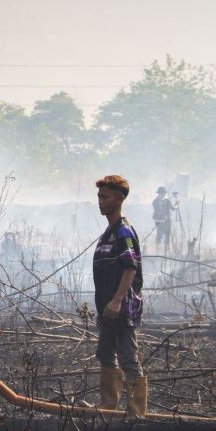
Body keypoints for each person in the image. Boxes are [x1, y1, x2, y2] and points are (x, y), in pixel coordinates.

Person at [93, 175, 147, 418]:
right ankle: (108, 406)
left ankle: (137, 412)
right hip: (108, 310)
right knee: (105, 354)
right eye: (99, 197)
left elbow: (130, 268)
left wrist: (116, 300)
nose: (100, 202)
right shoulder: (107, 234)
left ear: (120, 198)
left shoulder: (123, 231)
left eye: (105, 197)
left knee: (127, 357)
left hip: (122, 308)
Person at [152, 186, 176, 252]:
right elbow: (173, 208)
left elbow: (155, 207)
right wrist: (177, 204)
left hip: (158, 221)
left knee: (159, 235)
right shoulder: (167, 201)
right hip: (166, 221)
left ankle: (157, 251)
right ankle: (165, 252)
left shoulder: (155, 201)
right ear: (164, 193)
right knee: (167, 235)